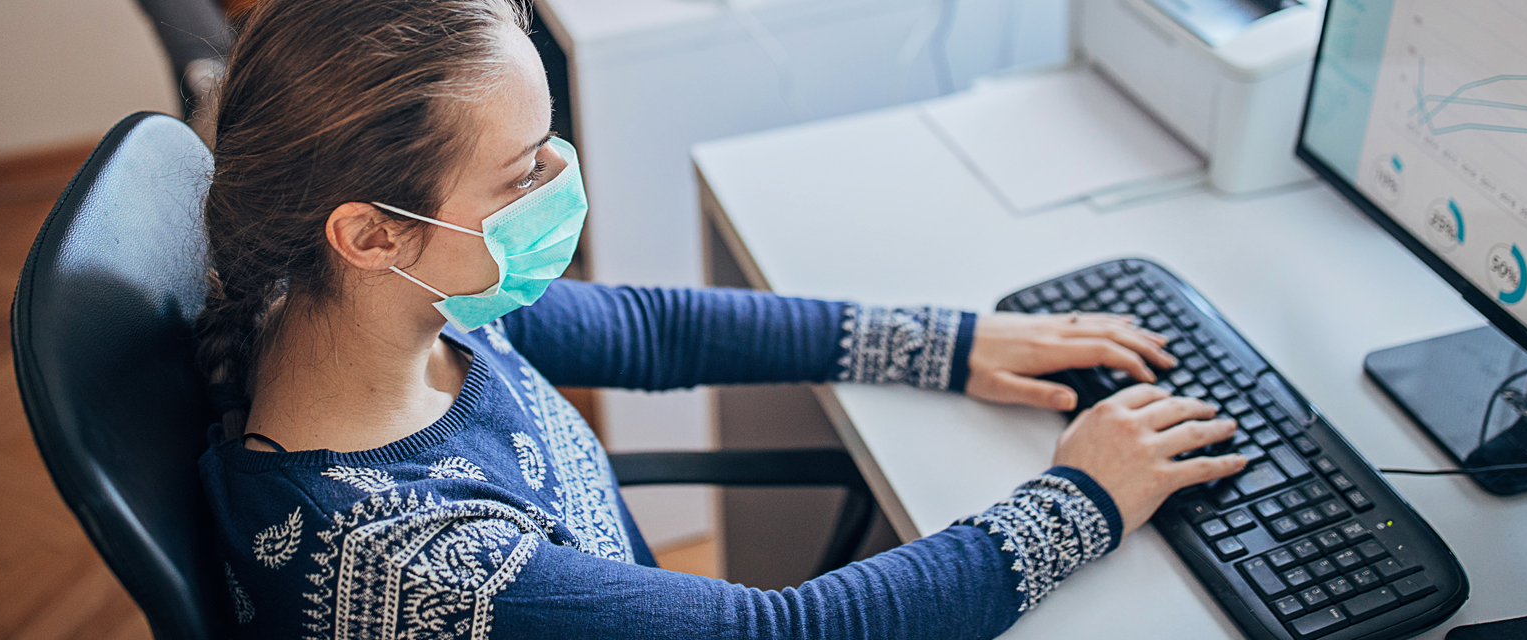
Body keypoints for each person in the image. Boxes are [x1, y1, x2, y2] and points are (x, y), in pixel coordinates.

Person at [194, 0, 1249, 637]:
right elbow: (790, 630)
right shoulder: (409, 560)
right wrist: (1083, 495)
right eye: (523, 174)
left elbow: (653, 330)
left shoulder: (377, 315)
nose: (564, 183)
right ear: (371, 235)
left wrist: (954, 343)